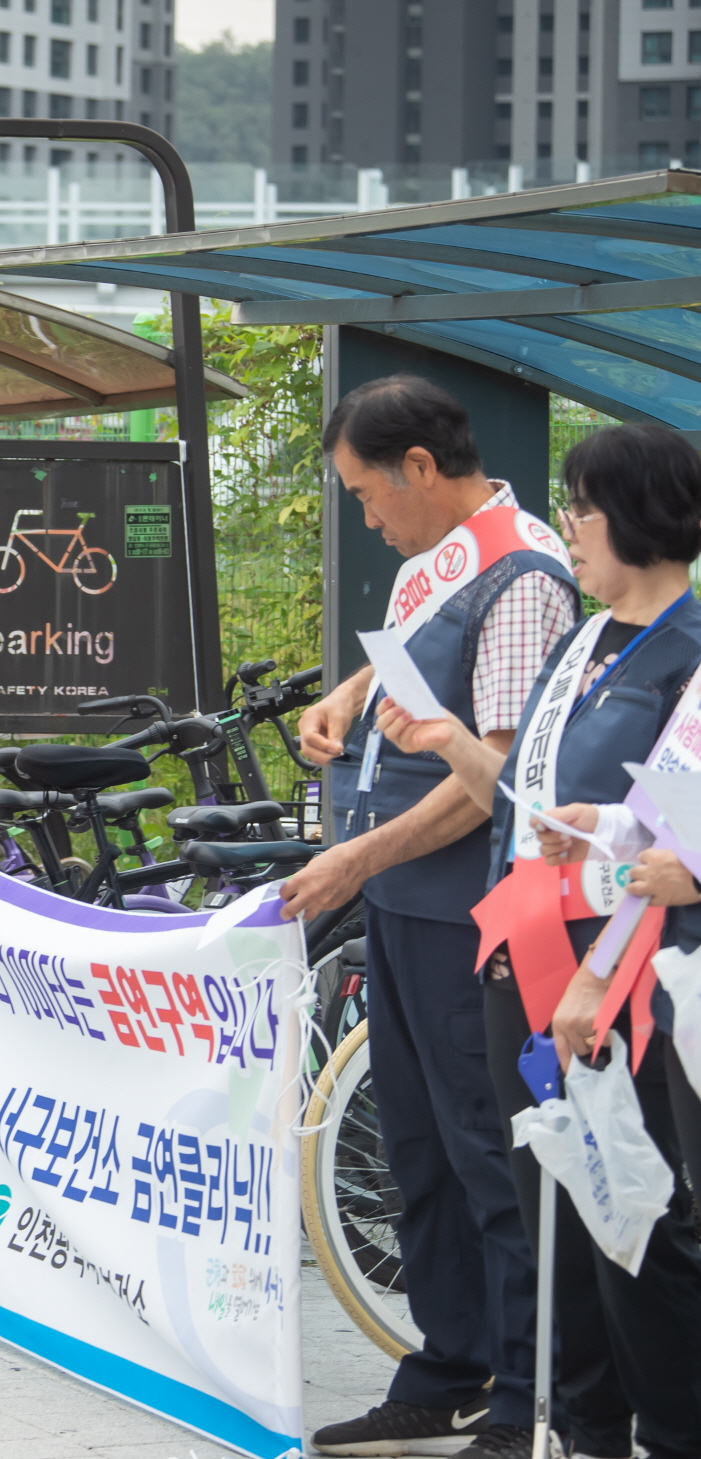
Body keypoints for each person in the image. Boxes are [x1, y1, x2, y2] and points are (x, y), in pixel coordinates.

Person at [377, 423, 701, 1459]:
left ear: (638, 515)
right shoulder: (579, 644)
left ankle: (671, 1429)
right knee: (546, 1207)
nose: (569, 528)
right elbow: (524, 809)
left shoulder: (689, 652)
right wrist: (449, 743)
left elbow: (676, 840)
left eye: (582, 509)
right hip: (520, 956)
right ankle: (582, 1428)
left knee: (637, 1220)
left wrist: (600, 967)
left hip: (627, 976)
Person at [286, 377, 578, 1459]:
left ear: (419, 466)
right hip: (403, 905)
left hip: (471, 915)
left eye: (365, 493)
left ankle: (525, 1392)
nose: (365, 518)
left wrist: (353, 858)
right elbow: (416, 664)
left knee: (487, 1152)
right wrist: (348, 692)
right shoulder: (443, 561)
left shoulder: (522, 577)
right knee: (418, 1150)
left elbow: (492, 775)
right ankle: (446, 1365)